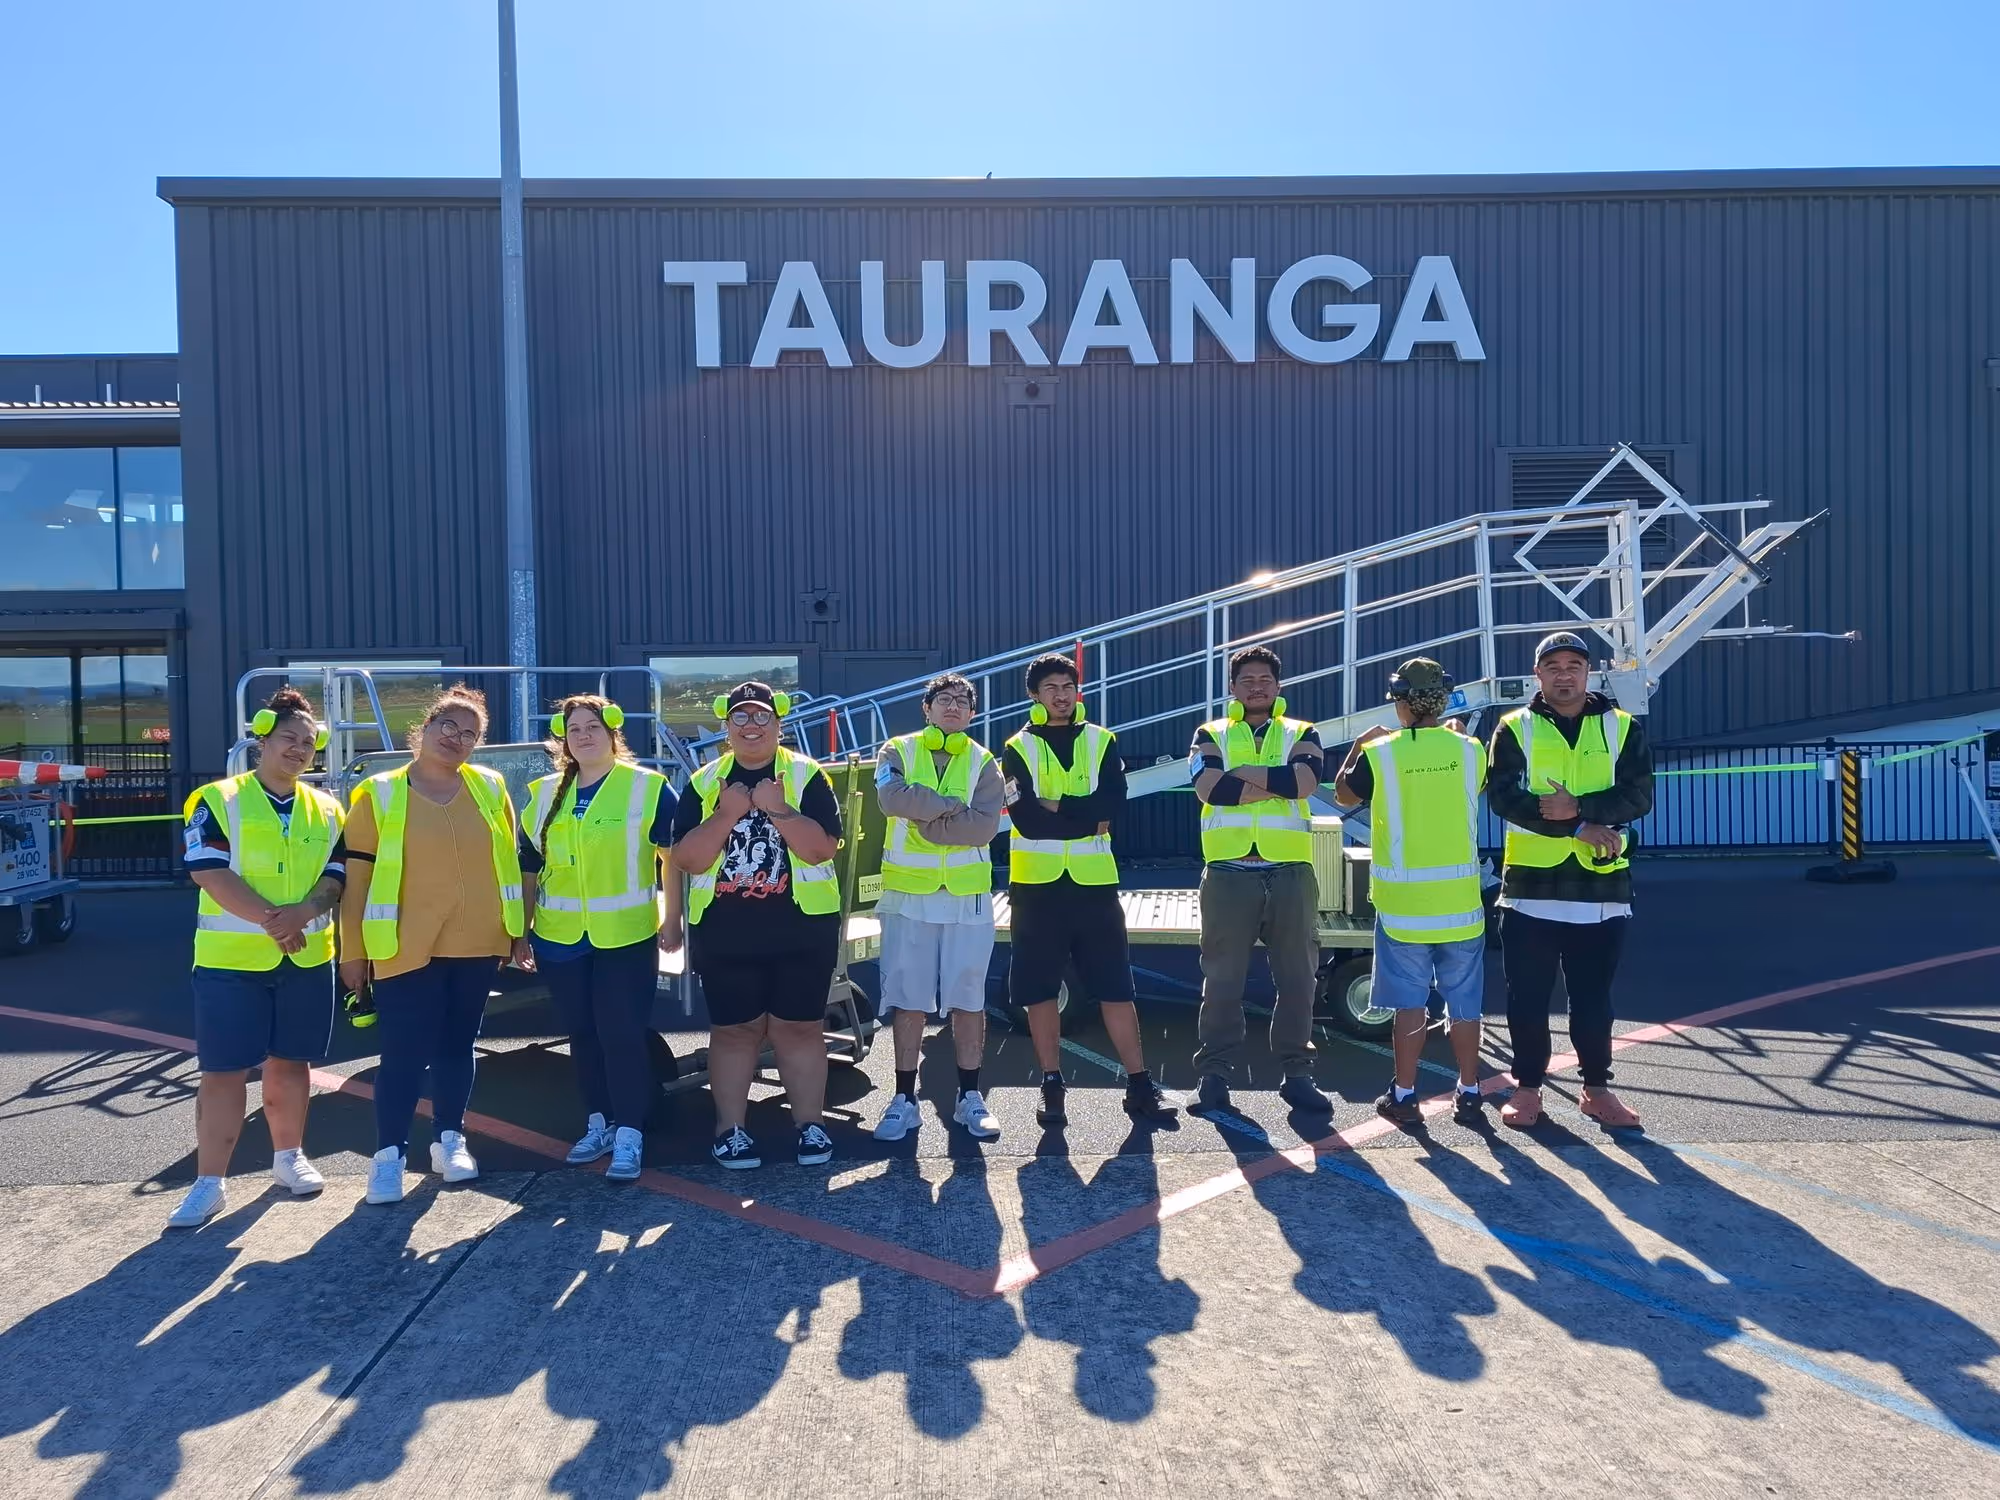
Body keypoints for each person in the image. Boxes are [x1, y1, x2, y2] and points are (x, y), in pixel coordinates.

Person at [338, 686, 529, 1204]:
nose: (456, 738)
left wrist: (516, 932)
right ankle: (390, 1157)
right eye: (447, 725)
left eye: (470, 733)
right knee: (402, 1054)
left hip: (477, 942)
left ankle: (450, 1141)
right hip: (402, 945)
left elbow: (508, 864)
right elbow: (356, 882)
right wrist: (351, 953)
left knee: (456, 1046)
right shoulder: (376, 793)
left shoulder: (491, 787)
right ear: (422, 729)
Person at [167, 687, 346, 1229]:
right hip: (232, 962)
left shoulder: (329, 807)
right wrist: (278, 920)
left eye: (308, 743)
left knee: (293, 1064)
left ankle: (288, 1158)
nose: (298, 749)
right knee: (223, 1072)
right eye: (288, 738)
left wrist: (305, 913)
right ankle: (208, 1183)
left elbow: (336, 877)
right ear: (262, 740)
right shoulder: (216, 799)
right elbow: (209, 873)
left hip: (307, 958)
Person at [670, 682, 843, 1170]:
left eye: (761, 716)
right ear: (726, 727)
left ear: (779, 724)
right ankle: (731, 1131)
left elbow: (820, 849)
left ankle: (812, 1125)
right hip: (727, 935)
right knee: (734, 1032)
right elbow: (688, 859)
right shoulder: (705, 782)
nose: (751, 725)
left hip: (801, 932)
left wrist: (779, 809)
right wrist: (727, 816)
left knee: (801, 1029)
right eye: (741, 717)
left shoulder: (807, 776)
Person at [1487, 631, 1654, 1130]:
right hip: (1530, 891)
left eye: (1574, 665)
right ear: (1538, 674)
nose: (1564, 674)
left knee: (1593, 998)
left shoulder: (1622, 728)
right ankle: (1528, 1088)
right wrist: (1579, 826)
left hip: (1601, 891)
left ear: (1589, 672)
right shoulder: (1514, 727)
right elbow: (1503, 797)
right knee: (1528, 999)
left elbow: (1640, 795)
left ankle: (1597, 1089)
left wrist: (1581, 807)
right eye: (1553, 665)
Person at [1000, 654, 1175, 1127]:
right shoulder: (1017, 747)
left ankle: (1140, 1085)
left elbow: (1113, 805)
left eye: (1068, 685)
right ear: (1034, 695)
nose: (1061, 694)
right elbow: (1027, 820)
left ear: (1078, 690)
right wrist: (1082, 816)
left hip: (1094, 887)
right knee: (1039, 991)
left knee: (1117, 987)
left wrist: (1057, 805)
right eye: (1051, 687)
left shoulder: (1103, 741)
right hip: (1036, 889)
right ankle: (1052, 1084)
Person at [520, 695, 681, 1183]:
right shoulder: (545, 793)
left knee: (622, 1033)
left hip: (625, 934)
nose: (584, 735)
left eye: (594, 726)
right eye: (574, 729)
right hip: (559, 936)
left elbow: (671, 857)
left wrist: (672, 919)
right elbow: (530, 866)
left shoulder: (647, 787)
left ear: (614, 733)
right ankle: (599, 1123)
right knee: (584, 1036)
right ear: (562, 738)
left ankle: (630, 1131)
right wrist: (520, 930)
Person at [1330, 658, 1488, 1126]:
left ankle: (1404, 1093)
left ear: (1401, 703)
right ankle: (1471, 1089)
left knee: (1409, 1006)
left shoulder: (1381, 755)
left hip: (1403, 909)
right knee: (1464, 1004)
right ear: (1442, 700)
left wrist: (1359, 745)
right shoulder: (1470, 749)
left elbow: (1343, 794)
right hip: (1460, 903)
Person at [1187, 645, 1330, 1115]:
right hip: (1228, 872)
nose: (1256, 687)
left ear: (1279, 685)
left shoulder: (1302, 730)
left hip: (1289, 871)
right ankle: (1213, 1075)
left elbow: (1304, 783)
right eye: (1246, 680)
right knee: (1222, 981)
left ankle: (1297, 1074)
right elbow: (1209, 788)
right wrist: (1274, 780)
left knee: (1297, 979)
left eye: (1265, 679)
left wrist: (1243, 777)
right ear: (1232, 688)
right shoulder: (1209, 732)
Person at [870, 673, 1006, 1142]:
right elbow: (890, 799)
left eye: (962, 702)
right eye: (944, 700)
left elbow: (984, 827)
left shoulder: (984, 760)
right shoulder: (897, 750)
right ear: (926, 708)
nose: (953, 707)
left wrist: (927, 821)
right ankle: (904, 1099)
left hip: (966, 897)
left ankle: (970, 1097)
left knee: (968, 997)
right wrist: (952, 806)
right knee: (908, 998)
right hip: (908, 896)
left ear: (972, 714)